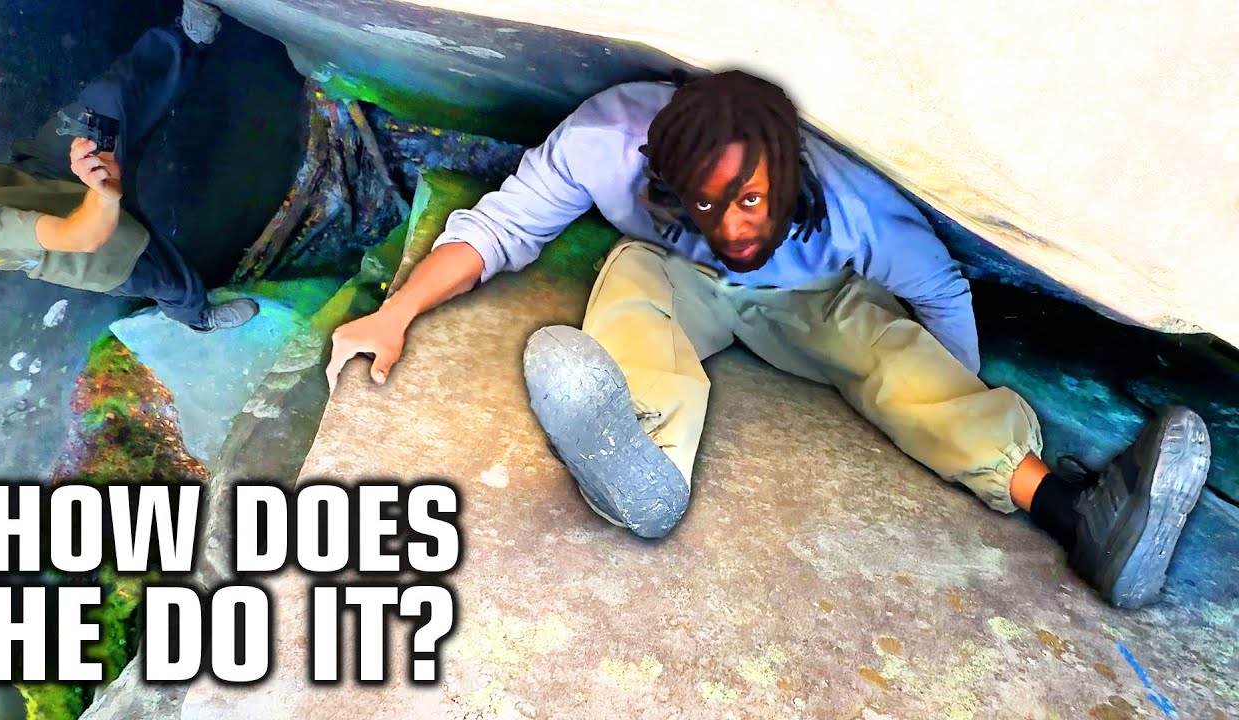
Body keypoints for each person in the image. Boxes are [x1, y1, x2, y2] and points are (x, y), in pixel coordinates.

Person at [325, 71, 1212, 609]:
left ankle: (1071, 511)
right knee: (630, 286)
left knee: (892, 352)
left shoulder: (856, 210)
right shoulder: (606, 139)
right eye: (707, 203)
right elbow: (505, 225)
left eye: (753, 200)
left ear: (789, 178)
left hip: (810, 299)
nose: (733, 226)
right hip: (677, 278)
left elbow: (938, 290)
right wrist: (395, 312)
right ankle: (645, 469)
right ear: (665, 177)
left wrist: (950, 409)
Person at [0, 0, 258, 332]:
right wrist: (103, 193)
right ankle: (199, 318)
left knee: (109, 98)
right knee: (167, 280)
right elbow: (80, 237)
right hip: (72, 247)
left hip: (37, 175)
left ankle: (188, 40)